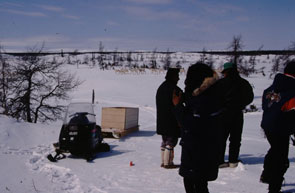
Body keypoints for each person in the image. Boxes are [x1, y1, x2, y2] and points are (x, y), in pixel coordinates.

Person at [173, 62, 225, 193]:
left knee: (195, 184)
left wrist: (178, 106)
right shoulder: (211, 93)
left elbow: (189, 123)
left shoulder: (204, 99)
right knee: (198, 183)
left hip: (198, 150)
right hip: (203, 148)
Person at [260, 61, 295, 193]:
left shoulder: (272, 87)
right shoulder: (292, 90)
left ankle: (267, 175)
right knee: (280, 160)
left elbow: (265, 105)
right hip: (281, 128)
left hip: (268, 125)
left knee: (275, 151)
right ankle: (274, 188)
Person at [218, 62, 254, 168]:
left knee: (221, 138)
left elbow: (214, 98)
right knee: (236, 138)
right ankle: (233, 161)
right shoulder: (244, 83)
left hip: (222, 114)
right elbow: (250, 98)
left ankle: (219, 160)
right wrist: (241, 104)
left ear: (225, 72)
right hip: (237, 113)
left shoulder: (220, 83)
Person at [156, 67, 182, 169]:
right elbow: (180, 101)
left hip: (162, 120)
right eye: (177, 76)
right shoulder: (173, 89)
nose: (179, 78)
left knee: (165, 141)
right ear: (173, 77)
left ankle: (164, 162)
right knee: (171, 142)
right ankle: (168, 163)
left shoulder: (162, 87)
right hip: (172, 120)